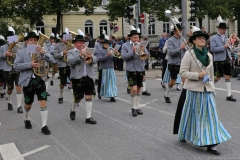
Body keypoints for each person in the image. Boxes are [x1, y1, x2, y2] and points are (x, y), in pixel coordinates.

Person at [178, 26, 231, 155]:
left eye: (204, 38)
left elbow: (211, 75)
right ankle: (185, 133)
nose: (203, 40)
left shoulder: (208, 55)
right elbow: (183, 72)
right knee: (192, 115)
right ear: (194, 41)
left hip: (208, 90)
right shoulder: (189, 54)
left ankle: (211, 143)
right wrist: (197, 75)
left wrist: (213, 88)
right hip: (194, 90)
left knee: (211, 117)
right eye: (200, 38)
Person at [14, 31, 54, 135]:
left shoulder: (41, 50)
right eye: (31, 40)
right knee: (28, 104)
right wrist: (29, 64)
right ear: (26, 42)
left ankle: (44, 125)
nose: (34, 42)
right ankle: (26, 119)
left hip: (39, 79)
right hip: (27, 81)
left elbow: (52, 60)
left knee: (43, 101)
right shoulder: (21, 52)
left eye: (35, 40)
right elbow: (16, 66)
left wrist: (43, 53)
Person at [67, 30, 97, 124]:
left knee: (89, 96)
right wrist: (80, 55)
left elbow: (96, 60)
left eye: (83, 43)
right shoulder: (71, 52)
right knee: (77, 98)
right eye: (79, 43)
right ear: (75, 43)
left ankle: (88, 117)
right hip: (77, 78)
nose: (81, 44)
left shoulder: (88, 50)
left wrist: (90, 56)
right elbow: (70, 62)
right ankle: (73, 109)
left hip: (88, 76)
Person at [121, 26, 150, 117]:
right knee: (133, 89)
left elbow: (147, 55)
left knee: (139, 89)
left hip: (140, 69)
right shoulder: (125, 45)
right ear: (130, 37)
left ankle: (137, 107)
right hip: (131, 69)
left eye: (137, 37)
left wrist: (143, 49)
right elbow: (124, 57)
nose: (136, 39)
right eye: (134, 37)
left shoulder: (141, 44)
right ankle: (133, 107)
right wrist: (132, 52)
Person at [210, 16, 236, 102]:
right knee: (217, 77)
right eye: (223, 29)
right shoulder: (213, 38)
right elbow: (212, 49)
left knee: (228, 76)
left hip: (227, 58)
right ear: (219, 29)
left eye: (225, 29)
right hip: (218, 60)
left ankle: (229, 94)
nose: (224, 30)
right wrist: (223, 46)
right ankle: (210, 88)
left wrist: (230, 46)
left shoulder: (225, 37)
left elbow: (227, 47)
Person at [0, 27, 23, 113]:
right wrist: (4, 54)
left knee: (19, 87)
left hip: (17, 68)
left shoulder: (18, 47)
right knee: (10, 89)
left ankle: (19, 106)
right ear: (7, 39)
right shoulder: (3, 47)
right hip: (7, 69)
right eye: (9, 38)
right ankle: (9, 101)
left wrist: (15, 55)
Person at [164, 23, 186, 103]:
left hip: (182, 63)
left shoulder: (183, 39)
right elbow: (170, 52)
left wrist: (186, 48)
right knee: (172, 82)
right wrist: (180, 48)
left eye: (181, 30)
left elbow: (184, 51)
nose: (181, 32)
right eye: (179, 31)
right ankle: (166, 94)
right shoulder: (170, 40)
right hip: (173, 63)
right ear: (174, 32)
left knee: (184, 80)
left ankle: (185, 97)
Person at [97, 34, 118, 102]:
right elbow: (99, 59)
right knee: (103, 83)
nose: (107, 45)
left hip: (111, 68)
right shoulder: (100, 50)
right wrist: (107, 55)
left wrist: (116, 54)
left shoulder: (111, 49)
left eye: (108, 44)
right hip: (104, 69)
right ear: (103, 44)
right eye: (106, 43)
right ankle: (100, 92)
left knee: (111, 83)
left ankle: (112, 96)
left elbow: (115, 60)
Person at [53, 28, 71, 104]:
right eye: (65, 38)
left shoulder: (71, 45)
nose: (66, 39)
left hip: (70, 65)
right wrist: (62, 53)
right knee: (62, 83)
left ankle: (74, 98)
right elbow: (55, 55)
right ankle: (61, 96)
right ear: (61, 39)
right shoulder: (57, 45)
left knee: (73, 82)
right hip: (62, 65)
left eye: (67, 37)